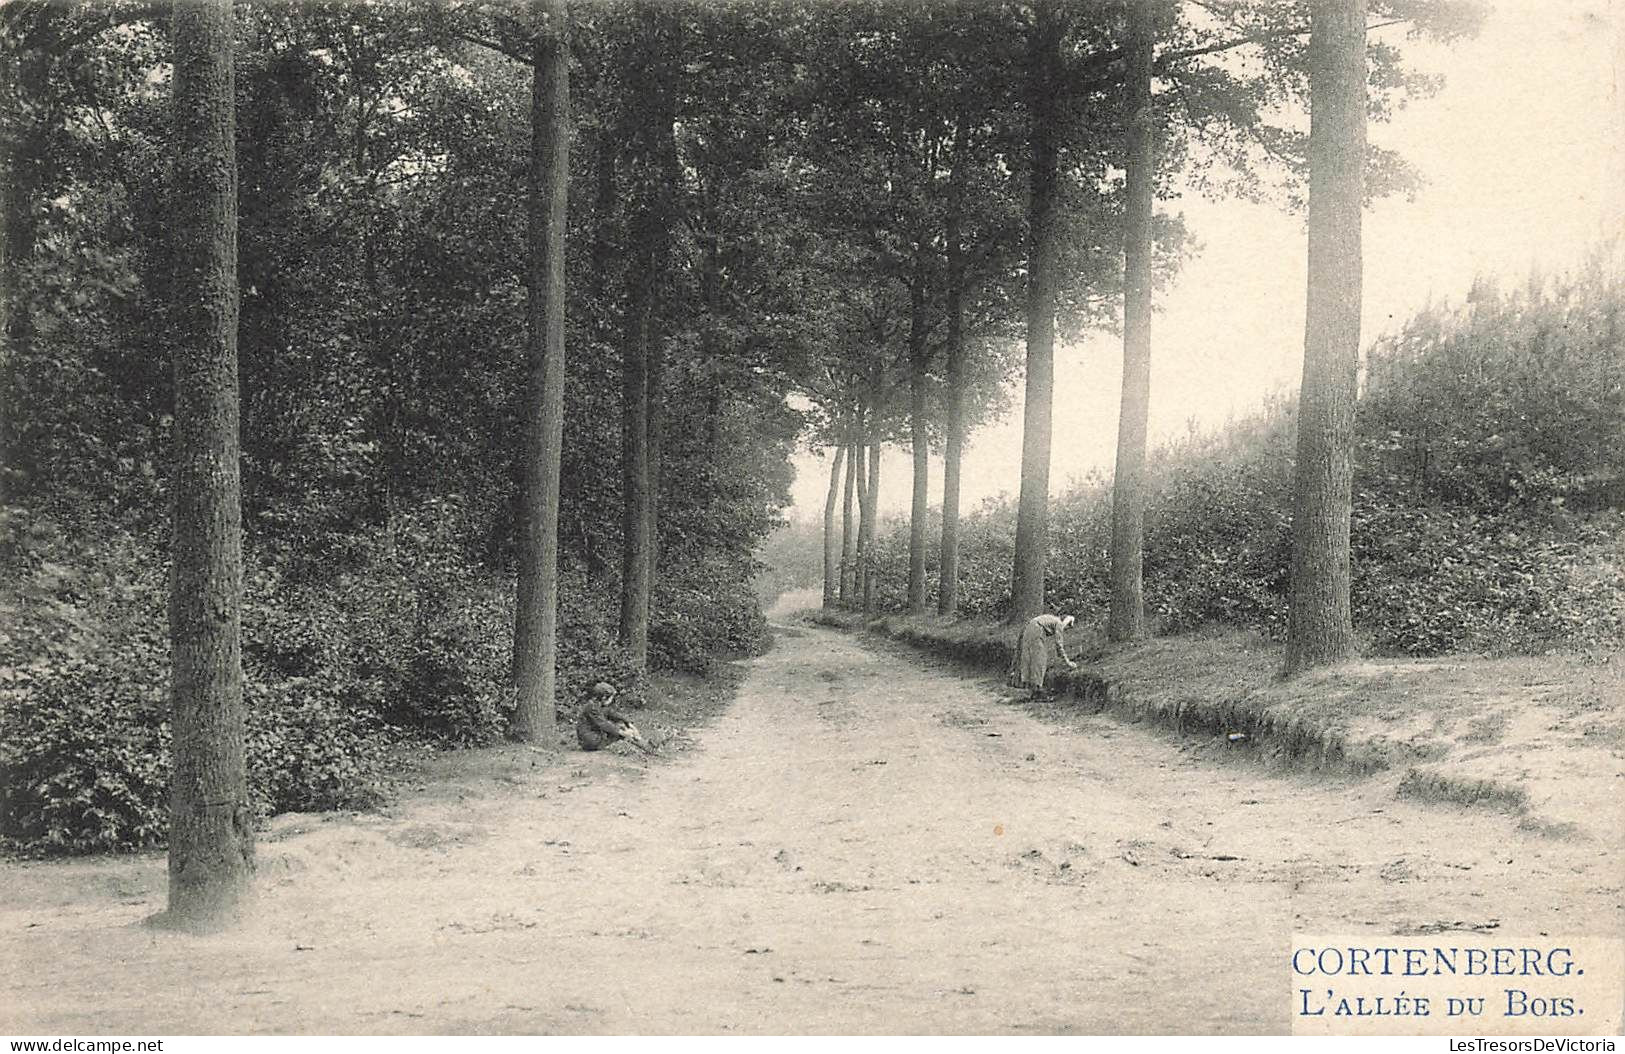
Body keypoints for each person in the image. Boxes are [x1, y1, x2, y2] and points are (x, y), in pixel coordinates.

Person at [576, 681, 656, 754]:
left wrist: (628, 723)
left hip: (592, 738)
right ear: (604, 697)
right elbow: (603, 724)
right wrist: (622, 732)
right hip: (590, 741)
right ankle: (648, 747)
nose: (611, 700)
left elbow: (614, 714)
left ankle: (646, 746)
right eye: (611, 698)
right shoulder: (592, 707)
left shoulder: (598, 705)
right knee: (620, 729)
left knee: (621, 727)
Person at [1009, 613, 1077, 697]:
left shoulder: (1052, 619)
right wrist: (1068, 662)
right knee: (1039, 659)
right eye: (1068, 627)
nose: (1066, 630)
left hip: (1028, 628)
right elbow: (1059, 645)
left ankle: (1032, 689)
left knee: (1030, 658)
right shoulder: (1059, 623)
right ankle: (1038, 691)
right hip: (1037, 629)